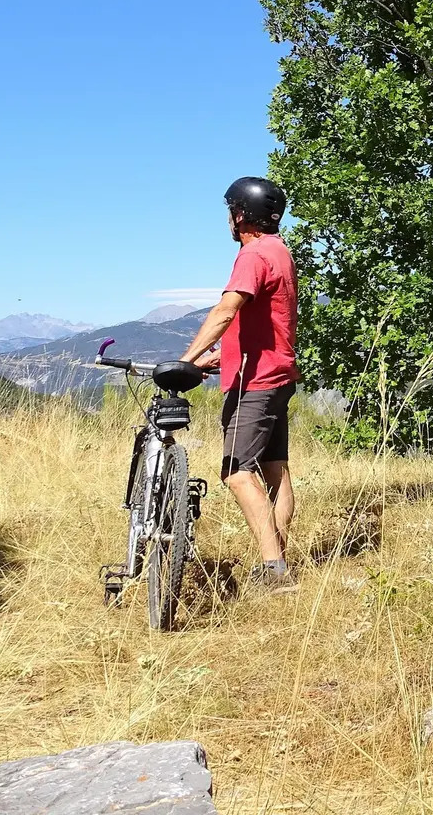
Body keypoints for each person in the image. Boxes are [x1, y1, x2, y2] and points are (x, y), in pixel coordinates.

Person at [181, 177, 300, 591]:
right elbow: (267, 321)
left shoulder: (252, 254)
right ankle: (277, 560)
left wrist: (186, 360)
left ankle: (274, 572)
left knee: (236, 472)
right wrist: (222, 356)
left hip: (257, 381)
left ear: (240, 215)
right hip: (278, 373)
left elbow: (226, 310)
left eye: (230, 211)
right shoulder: (279, 251)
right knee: (274, 471)